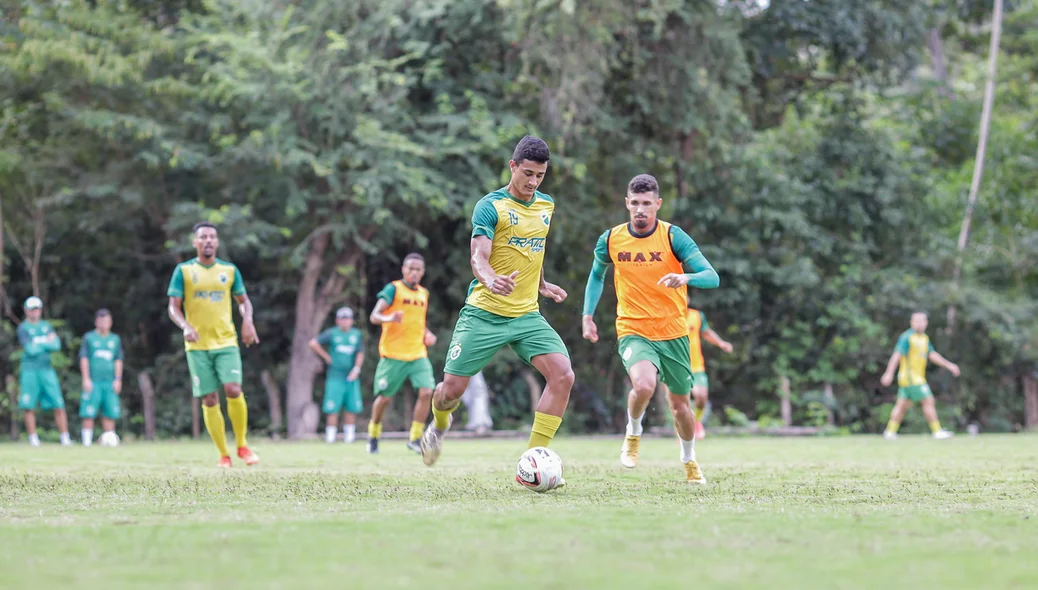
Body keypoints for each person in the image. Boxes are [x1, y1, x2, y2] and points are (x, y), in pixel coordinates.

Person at [420, 135, 573, 481]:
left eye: (540, 176)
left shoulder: (546, 206)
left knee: (563, 375)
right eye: (528, 174)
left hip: (526, 315)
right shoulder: (490, 206)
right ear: (513, 166)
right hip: (484, 313)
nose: (533, 182)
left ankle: (531, 463)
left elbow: (533, 249)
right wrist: (489, 278)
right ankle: (439, 424)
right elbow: (479, 255)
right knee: (450, 392)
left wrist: (542, 284)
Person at [582, 174, 719, 483]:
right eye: (635, 203)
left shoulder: (673, 237)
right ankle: (633, 433)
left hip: (673, 332)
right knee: (644, 385)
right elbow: (596, 276)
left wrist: (686, 278)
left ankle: (689, 460)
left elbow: (712, 276)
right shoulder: (612, 239)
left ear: (657, 204)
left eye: (647, 204)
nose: (640, 210)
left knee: (680, 407)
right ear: (627, 204)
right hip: (633, 328)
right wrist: (587, 315)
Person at [167, 222, 261, 467]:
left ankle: (242, 446)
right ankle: (223, 455)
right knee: (209, 398)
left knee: (233, 389)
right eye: (203, 237)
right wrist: (185, 326)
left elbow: (243, 301)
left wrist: (248, 320)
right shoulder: (184, 271)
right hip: (197, 346)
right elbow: (173, 307)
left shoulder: (229, 270)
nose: (208, 241)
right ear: (195, 243)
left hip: (226, 341)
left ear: (217, 243)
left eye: (212, 237)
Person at [367, 253, 437, 454]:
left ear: (422, 272)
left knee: (426, 392)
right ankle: (373, 433)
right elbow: (374, 316)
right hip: (393, 354)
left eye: (418, 269)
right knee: (384, 399)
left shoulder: (423, 294)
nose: (414, 272)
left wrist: (427, 334)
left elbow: (418, 322)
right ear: (403, 270)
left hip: (418, 353)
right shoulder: (393, 289)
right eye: (410, 268)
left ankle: (415, 438)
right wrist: (390, 317)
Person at [880, 312, 959, 440]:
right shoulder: (907, 337)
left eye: (921, 321)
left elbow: (932, 355)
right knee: (928, 401)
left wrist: (949, 365)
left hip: (914, 379)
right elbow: (897, 355)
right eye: (916, 321)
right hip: (911, 378)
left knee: (901, 405)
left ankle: (890, 432)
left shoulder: (924, 339)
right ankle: (937, 431)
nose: (919, 323)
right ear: (911, 322)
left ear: (926, 323)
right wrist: (889, 373)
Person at [16, 296, 71, 446]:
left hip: (47, 370)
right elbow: (30, 350)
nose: (35, 312)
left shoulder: (47, 326)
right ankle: (33, 439)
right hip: (29, 371)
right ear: (26, 311)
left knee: (58, 404)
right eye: (32, 309)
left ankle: (65, 438)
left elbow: (56, 345)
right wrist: (46, 342)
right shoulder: (23, 328)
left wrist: (39, 343)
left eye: (37, 309)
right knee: (28, 406)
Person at [309, 307, 365, 444]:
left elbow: (360, 352)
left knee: (351, 408)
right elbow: (313, 343)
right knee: (332, 408)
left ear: (351, 321)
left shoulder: (356, 335)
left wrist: (356, 369)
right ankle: (330, 438)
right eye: (342, 319)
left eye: (348, 319)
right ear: (338, 320)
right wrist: (326, 357)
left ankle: (349, 438)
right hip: (335, 376)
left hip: (351, 376)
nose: (345, 322)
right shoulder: (332, 333)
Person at [684, 306, 733, 440]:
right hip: (676, 366)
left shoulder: (697, 315)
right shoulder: (668, 314)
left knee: (701, 397)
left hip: (696, 366)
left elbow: (706, 332)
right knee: (680, 402)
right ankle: (682, 431)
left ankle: (696, 422)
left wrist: (721, 343)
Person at [78, 308, 124, 446]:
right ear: (96, 322)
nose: (104, 323)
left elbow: (118, 360)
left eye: (107, 320)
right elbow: (84, 358)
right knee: (88, 412)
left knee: (110, 413)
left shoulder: (115, 339)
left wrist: (118, 379)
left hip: (109, 382)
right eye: (101, 320)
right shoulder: (89, 338)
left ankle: (109, 441)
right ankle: (86, 442)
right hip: (93, 381)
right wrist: (86, 378)